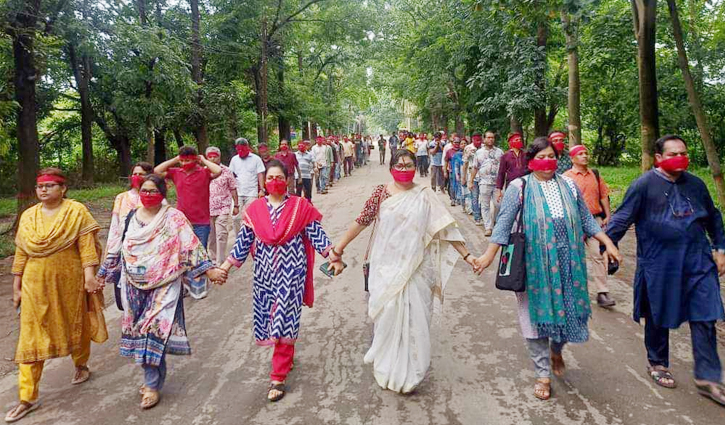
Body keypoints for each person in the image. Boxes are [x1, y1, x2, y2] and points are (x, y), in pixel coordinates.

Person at [474, 137, 621, 401]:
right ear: (531, 161)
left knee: (568, 312)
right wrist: (488, 257)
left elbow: (587, 220)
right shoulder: (519, 187)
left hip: (569, 261)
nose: (546, 162)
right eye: (540, 157)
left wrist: (607, 242)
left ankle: (557, 349)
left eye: (551, 156)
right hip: (533, 265)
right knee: (534, 318)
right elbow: (504, 224)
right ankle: (542, 372)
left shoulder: (569, 185)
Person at [332, 150, 476, 393]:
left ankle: (411, 373)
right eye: (399, 164)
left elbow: (445, 229)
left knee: (415, 319)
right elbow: (362, 221)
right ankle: (387, 367)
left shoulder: (425, 196)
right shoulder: (381, 193)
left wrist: (468, 255)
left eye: (409, 164)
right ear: (390, 166)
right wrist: (338, 248)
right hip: (385, 267)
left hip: (416, 268)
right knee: (388, 316)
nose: (404, 168)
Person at [605, 135, 725, 405]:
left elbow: (713, 216)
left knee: (705, 316)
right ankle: (657, 363)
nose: (679, 158)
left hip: (698, 263)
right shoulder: (644, 185)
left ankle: (708, 378)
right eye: (673, 154)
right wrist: (608, 246)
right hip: (660, 264)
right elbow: (623, 217)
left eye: (683, 152)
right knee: (657, 314)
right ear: (658, 158)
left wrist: (720, 248)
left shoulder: (695, 183)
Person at [97, 175, 226, 410]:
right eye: (143, 190)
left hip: (165, 284)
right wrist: (101, 274)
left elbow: (191, 246)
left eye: (152, 190)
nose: (147, 195)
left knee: (153, 331)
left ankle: (151, 385)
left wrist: (210, 272)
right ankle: (151, 378)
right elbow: (116, 246)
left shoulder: (173, 218)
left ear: (163, 193)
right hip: (133, 287)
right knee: (141, 334)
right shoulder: (129, 218)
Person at [218, 160, 338, 402]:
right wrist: (225, 266)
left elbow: (316, 234)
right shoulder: (253, 210)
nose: (274, 182)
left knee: (285, 320)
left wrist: (332, 255)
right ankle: (286, 356)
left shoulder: (299, 207)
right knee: (270, 319)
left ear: (287, 180)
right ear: (265, 181)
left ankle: (278, 376)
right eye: (270, 177)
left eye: (279, 178)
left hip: (292, 274)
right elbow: (242, 243)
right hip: (264, 276)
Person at [6, 168, 106, 423]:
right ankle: (26, 398)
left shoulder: (76, 211)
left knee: (77, 323)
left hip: (69, 283)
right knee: (31, 338)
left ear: (63, 189)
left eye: (50, 185)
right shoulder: (28, 216)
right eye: (41, 186)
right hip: (34, 285)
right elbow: (21, 254)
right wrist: (16, 285)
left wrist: (89, 278)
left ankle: (81, 365)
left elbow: (86, 250)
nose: (44, 190)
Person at [154, 146, 222, 299]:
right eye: (182, 160)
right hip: (182, 221)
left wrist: (203, 159)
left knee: (200, 252)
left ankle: (198, 283)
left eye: (188, 160)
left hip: (202, 220)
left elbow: (217, 171)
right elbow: (157, 171)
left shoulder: (204, 172)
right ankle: (184, 284)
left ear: (195, 159)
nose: (185, 163)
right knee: (181, 253)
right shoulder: (176, 173)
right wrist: (175, 160)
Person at [563, 145, 616, 308]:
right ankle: (571, 291)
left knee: (598, 256)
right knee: (573, 256)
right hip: (574, 222)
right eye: (580, 154)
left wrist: (607, 215)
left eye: (586, 153)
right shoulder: (566, 177)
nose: (585, 156)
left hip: (594, 221)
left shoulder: (595, 174)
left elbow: (603, 195)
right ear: (572, 158)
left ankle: (602, 292)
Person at [105, 162, 156, 259]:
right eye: (134, 174)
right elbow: (115, 227)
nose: (137, 177)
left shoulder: (155, 198)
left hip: (148, 250)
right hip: (124, 248)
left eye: (141, 174)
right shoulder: (122, 197)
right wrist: (109, 253)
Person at [206, 146, 239, 266]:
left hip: (223, 207)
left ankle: (220, 262)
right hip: (207, 208)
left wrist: (236, 205)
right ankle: (213, 259)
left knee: (221, 234)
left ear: (219, 156)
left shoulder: (226, 171)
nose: (213, 158)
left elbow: (233, 188)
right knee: (211, 236)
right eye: (210, 156)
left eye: (215, 156)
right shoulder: (203, 171)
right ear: (206, 158)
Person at [228, 137, 266, 239]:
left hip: (252, 193)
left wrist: (262, 189)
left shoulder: (256, 159)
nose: (241, 151)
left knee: (251, 217)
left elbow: (260, 174)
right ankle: (238, 239)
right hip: (238, 193)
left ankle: (252, 239)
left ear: (247, 147)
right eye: (238, 149)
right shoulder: (234, 160)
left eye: (243, 149)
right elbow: (231, 175)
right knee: (236, 218)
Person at [471, 131, 504, 235]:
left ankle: (497, 224)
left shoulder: (499, 152)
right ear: (484, 139)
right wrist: (470, 181)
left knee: (498, 205)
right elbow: (475, 167)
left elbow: (504, 168)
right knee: (485, 206)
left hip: (497, 184)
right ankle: (488, 227)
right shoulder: (478, 152)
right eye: (488, 137)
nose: (491, 139)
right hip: (484, 183)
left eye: (492, 137)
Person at [495, 133, 528, 203]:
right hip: (511, 185)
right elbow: (501, 173)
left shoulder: (526, 154)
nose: (519, 141)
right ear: (511, 142)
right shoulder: (505, 156)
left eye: (520, 140)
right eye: (516, 140)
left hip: (525, 185)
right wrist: (499, 191)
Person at [446, 138, 463, 206]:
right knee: (452, 185)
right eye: (455, 142)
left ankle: (459, 199)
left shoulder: (462, 151)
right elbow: (446, 161)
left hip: (461, 171)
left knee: (460, 185)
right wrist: (445, 171)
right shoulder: (449, 151)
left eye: (458, 142)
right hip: (452, 171)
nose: (456, 144)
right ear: (452, 143)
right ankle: (453, 199)